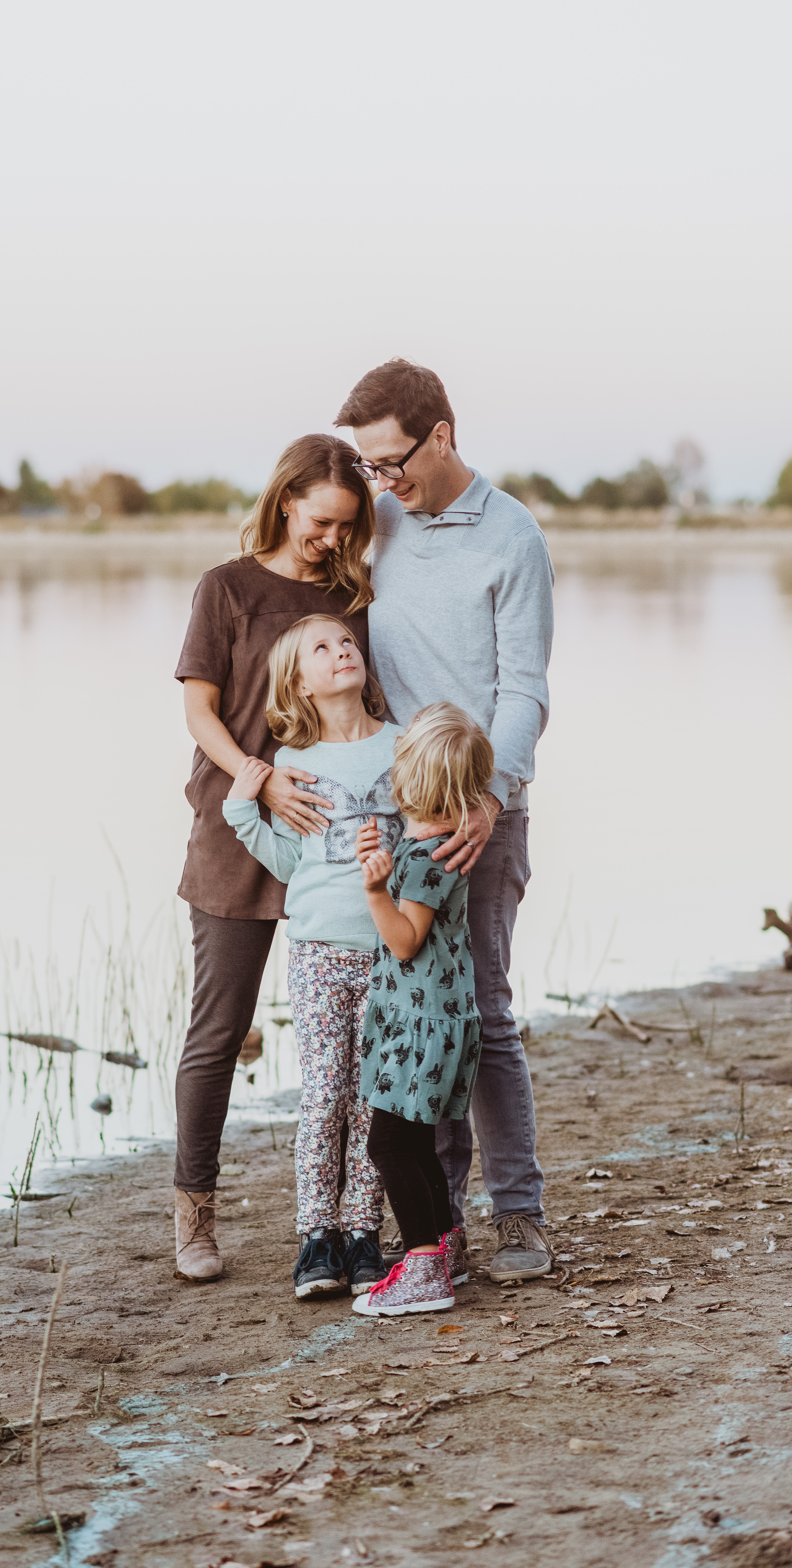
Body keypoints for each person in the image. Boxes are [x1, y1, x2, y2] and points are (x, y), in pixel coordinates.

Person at [335, 359, 555, 1284]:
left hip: (483, 808)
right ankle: (439, 1222)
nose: (383, 483)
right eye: (370, 468)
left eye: (393, 463)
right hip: (399, 808)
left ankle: (519, 1219)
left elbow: (525, 691)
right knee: (414, 1010)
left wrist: (490, 797)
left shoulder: (513, 539)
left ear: (443, 435)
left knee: (484, 1014)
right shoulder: (378, 523)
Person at [172, 434, 375, 1282]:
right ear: (288, 497)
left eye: (347, 526)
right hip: (237, 831)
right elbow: (200, 712)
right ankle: (195, 1217)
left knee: (358, 1049)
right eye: (324, 520)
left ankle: (359, 1221)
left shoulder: (349, 596)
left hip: (333, 848)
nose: (333, 538)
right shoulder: (227, 588)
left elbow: (368, 711)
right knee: (218, 1032)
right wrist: (257, 783)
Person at [222, 614, 400, 1300]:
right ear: (298, 682)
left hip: (392, 956)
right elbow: (290, 858)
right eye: (321, 650)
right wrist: (245, 810)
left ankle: (363, 1233)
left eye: (347, 642)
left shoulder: (403, 745)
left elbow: (424, 829)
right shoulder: (299, 766)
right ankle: (316, 1235)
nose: (340, 653)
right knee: (325, 1095)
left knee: (374, 1102)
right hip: (319, 953)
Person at [351, 703, 494, 1316]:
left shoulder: (425, 860)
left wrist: (374, 890)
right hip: (434, 1020)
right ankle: (443, 1249)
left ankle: (421, 1268)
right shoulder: (432, 847)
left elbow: (405, 940)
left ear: (412, 782)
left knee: (389, 1145)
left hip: (420, 1027)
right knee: (416, 1142)